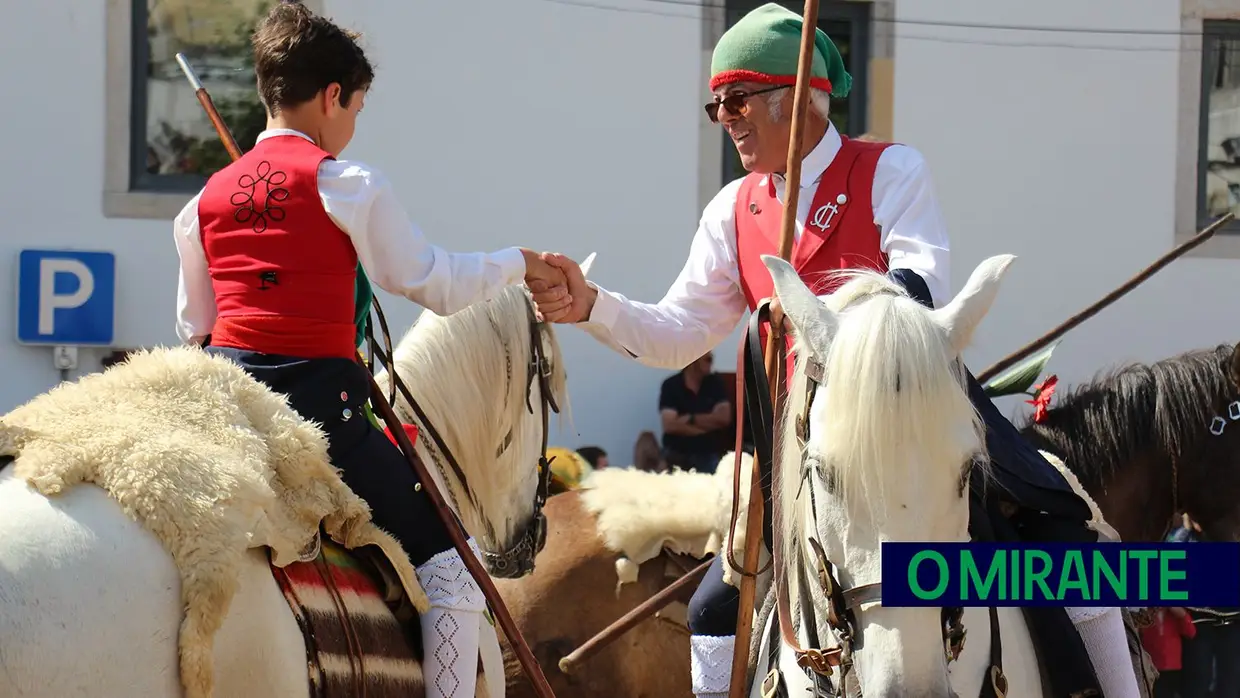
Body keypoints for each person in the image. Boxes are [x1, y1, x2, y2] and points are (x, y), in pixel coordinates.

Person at [527, 4, 1137, 697]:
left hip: (912, 419)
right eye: (716, 104)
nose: (724, 116)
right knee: (713, 611)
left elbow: (923, 281)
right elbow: (679, 329)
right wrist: (591, 306)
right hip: (806, 450)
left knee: (1060, 537)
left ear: (796, 99)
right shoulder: (733, 209)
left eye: (736, 98)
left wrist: (843, 328)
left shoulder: (890, 170)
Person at [171, 4, 572, 697]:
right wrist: (519, 261)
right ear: (333, 97)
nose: (353, 125)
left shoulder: (202, 199)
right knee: (455, 570)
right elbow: (433, 283)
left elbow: (194, 326)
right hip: (324, 417)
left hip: (227, 409)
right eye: (356, 106)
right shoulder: (348, 186)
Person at [659, 353, 732, 473]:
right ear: (693, 361)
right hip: (676, 451)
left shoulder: (715, 383)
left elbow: (724, 418)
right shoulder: (671, 385)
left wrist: (690, 419)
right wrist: (703, 429)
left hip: (707, 452)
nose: (711, 363)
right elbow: (669, 425)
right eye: (708, 359)